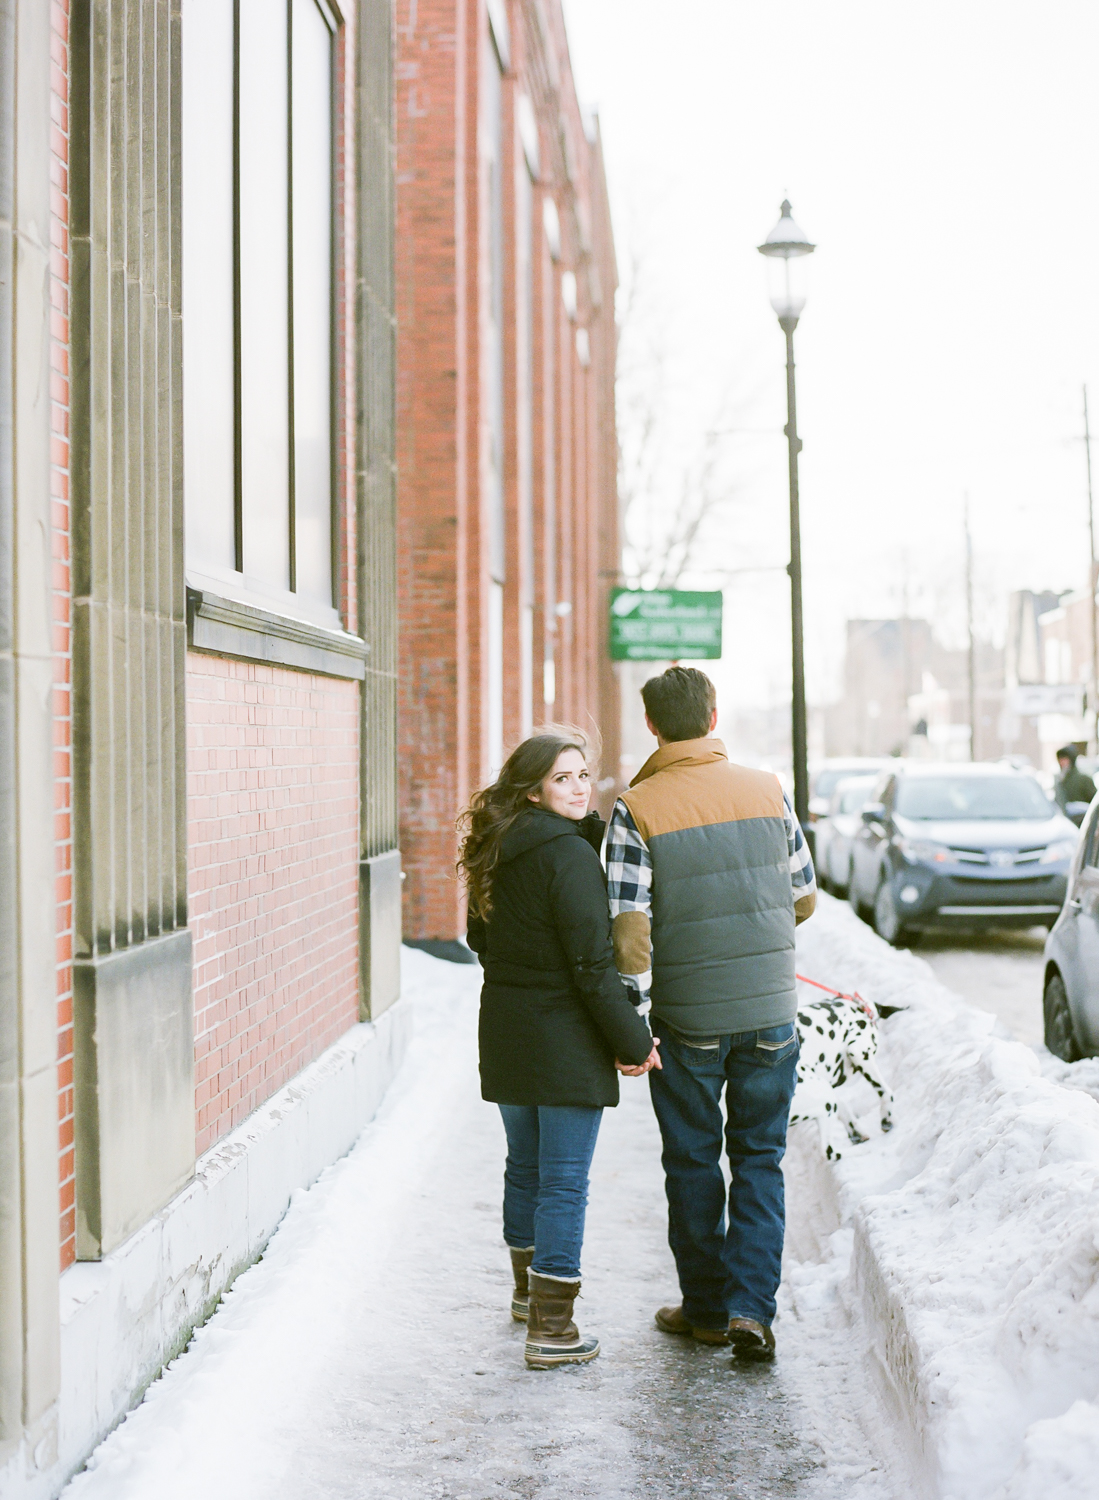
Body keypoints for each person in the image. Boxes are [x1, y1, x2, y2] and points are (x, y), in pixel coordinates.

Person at [605, 666, 816, 1363]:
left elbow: (629, 931)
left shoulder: (637, 806)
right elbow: (803, 896)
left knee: (693, 1161)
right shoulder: (765, 789)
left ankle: (702, 1310)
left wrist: (631, 1020)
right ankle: (750, 1310)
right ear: (714, 714)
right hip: (769, 1013)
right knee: (760, 1159)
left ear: (652, 726)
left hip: (688, 1019)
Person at [459, 728, 659, 1370]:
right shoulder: (568, 859)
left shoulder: (497, 845)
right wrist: (634, 1041)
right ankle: (554, 1328)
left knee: (526, 1166)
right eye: (563, 778)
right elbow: (592, 967)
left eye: (582, 775)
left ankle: (527, 1296)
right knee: (564, 1182)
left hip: (508, 1028)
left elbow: (479, 939)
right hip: (563, 1035)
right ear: (533, 788)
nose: (578, 787)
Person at [1054, 745, 1097, 817]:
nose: (1062, 762)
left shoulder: (1083, 779)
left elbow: (1094, 801)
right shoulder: (1060, 780)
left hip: (1082, 817)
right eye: (1060, 759)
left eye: (1065, 759)